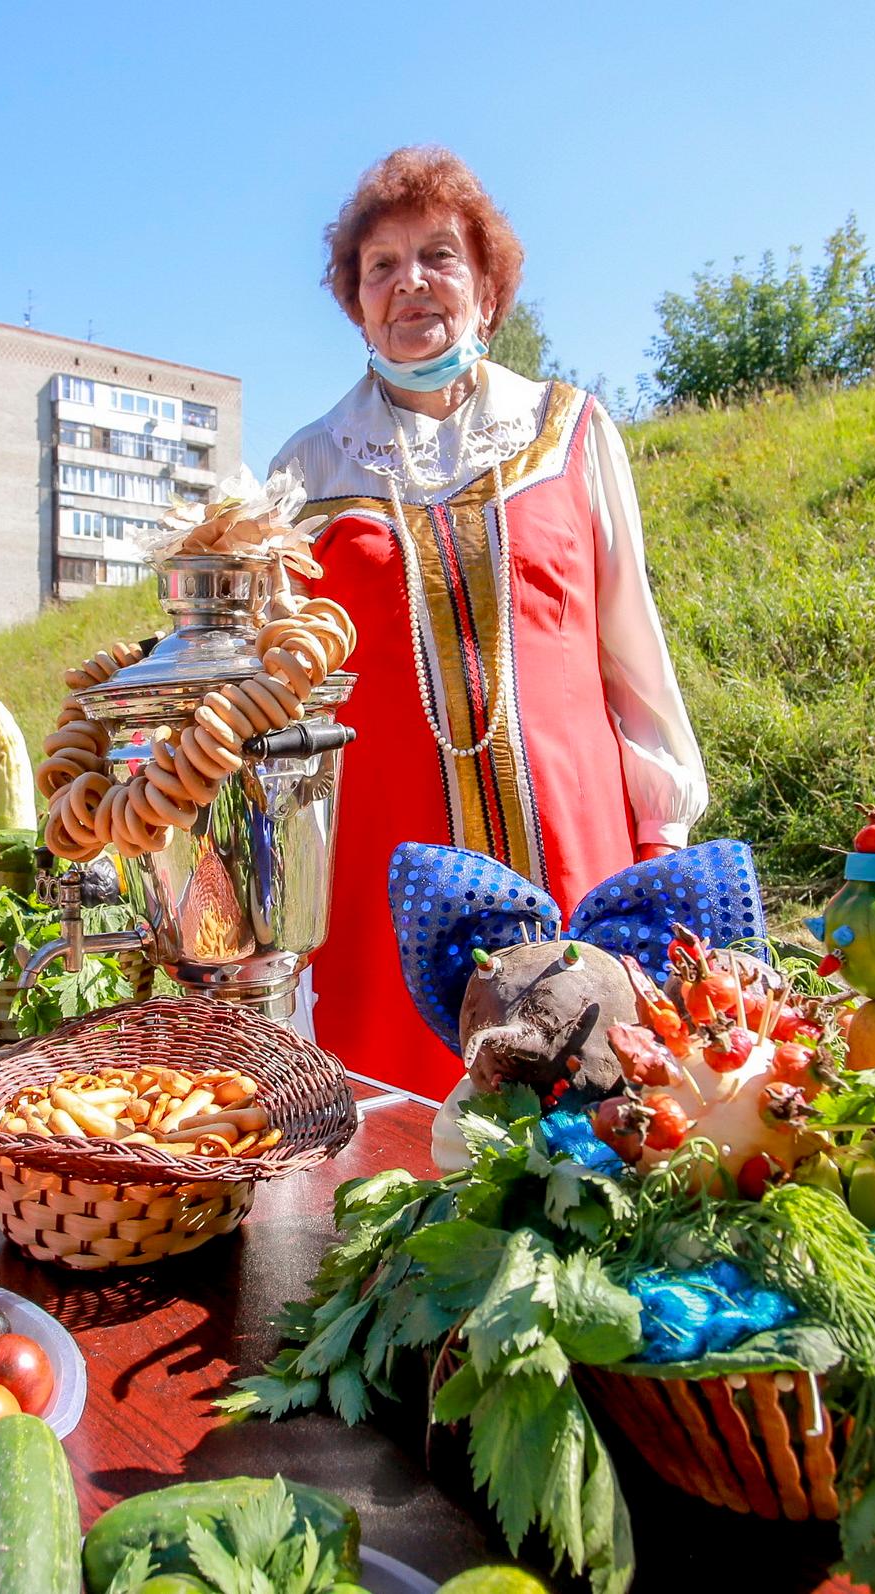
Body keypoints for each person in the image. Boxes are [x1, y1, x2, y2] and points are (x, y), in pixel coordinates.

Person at [272, 146, 707, 1094]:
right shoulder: (305, 472)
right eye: (381, 266)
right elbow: (280, 706)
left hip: (577, 855)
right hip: (386, 887)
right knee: (400, 1164)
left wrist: (657, 845)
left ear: (488, 286)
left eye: (439, 257)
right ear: (356, 301)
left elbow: (634, 659)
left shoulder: (572, 432)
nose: (410, 284)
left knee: (594, 1137)